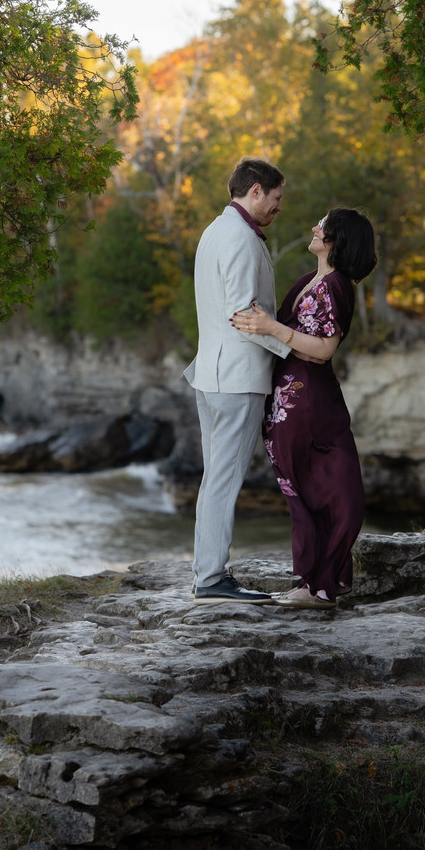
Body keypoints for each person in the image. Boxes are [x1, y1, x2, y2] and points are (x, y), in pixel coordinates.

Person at [230, 207, 377, 610]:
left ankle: (320, 584)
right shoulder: (310, 280)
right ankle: (316, 583)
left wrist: (271, 327)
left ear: (337, 239)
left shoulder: (335, 285)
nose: (314, 226)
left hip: (309, 400)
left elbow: (323, 350)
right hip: (288, 400)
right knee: (303, 491)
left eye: (323, 224)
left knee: (334, 489)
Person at [184, 156, 295, 603]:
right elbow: (244, 315)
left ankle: (205, 573)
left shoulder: (214, 231)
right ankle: (211, 579)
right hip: (237, 379)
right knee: (224, 480)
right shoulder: (242, 239)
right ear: (255, 191)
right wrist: (295, 349)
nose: (279, 207)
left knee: (215, 477)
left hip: (211, 375)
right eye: (276, 198)